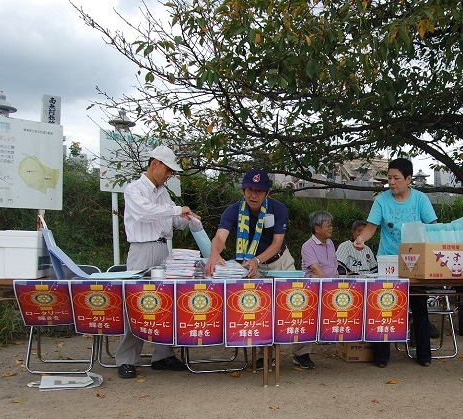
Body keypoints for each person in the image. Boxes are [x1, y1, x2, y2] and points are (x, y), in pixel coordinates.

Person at [204, 169, 315, 369]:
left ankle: (301, 352)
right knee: (258, 309)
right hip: (250, 266)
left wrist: (257, 259)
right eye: (249, 190)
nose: (253, 195)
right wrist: (214, 254)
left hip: (280, 261)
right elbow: (221, 237)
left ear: (267, 193)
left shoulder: (278, 208)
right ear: (243, 190)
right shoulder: (234, 210)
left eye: (258, 191)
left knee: (295, 303)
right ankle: (266, 353)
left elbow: (277, 242)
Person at [116, 145, 199, 379]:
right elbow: (145, 212)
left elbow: (173, 220)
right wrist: (176, 210)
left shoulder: (163, 192)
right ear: (155, 164)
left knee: (164, 302)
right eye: (168, 170)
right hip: (142, 249)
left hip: (164, 249)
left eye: (172, 172)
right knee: (136, 302)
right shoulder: (134, 189)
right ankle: (126, 359)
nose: (169, 175)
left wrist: (188, 218)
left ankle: (162, 355)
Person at [353, 157, 438, 368]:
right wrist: (361, 238)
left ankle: (424, 355)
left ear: (408, 179)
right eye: (389, 178)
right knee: (384, 305)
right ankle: (382, 356)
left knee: (419, 306)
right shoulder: (382, 200)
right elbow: (372, 226)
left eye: (396, 178)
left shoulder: (420, 199)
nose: (391, 182)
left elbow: (433, 226)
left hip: (415, 261)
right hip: (388, 259)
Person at [301, 211, 339, 278]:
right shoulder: (308, 246)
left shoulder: (330, 243)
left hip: (334, 281)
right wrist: (329, 282)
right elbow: (315, 268)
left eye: (331, 225)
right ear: (317, 229)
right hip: (317, 284)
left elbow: (333, 266)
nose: (331, 228)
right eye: (328, 226)